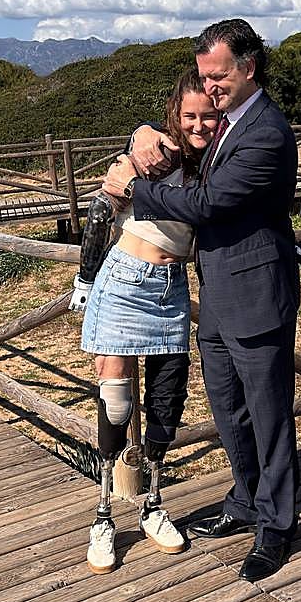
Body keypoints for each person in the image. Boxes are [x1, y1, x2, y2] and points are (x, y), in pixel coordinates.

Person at [103, 18, 301, 582]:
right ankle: (245, 499)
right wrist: (142, 133)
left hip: (258, 293)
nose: (210, 86)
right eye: (206, 77)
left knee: (269, 415)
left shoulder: (266, 130)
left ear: (248, 67)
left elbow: (209, 202)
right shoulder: (228, 124)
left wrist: (134, 188)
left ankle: (278, 525)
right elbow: (175, 140)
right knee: (228, 407)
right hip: (217, 292)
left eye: (219, 76)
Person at [70, 66, 220, 575]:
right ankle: (103, 514)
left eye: (209, 115)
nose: (199, 125)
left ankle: (154, 504)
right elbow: (100, 209)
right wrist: (85, 277)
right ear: (174, 116)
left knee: (167, 399)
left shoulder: (213, 165)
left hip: (172, 289)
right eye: (189, 116)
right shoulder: (152, 155)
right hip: (125, 280)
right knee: (115, 401)